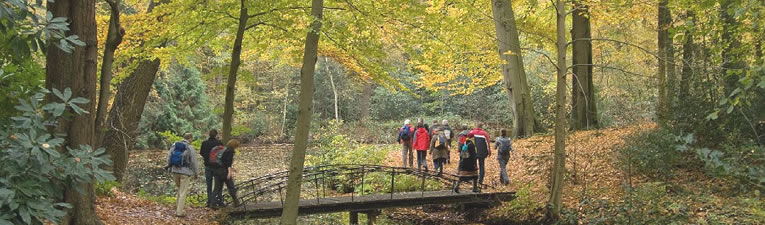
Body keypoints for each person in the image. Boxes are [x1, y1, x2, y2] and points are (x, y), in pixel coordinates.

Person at [166, 133, 199, 217]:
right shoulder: (190, 148)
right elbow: (194, 162)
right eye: (192, 138)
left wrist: (170, 168)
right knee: (183, 192)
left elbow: (169, 156)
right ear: (190, 138)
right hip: (185, 172)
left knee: (179, 189)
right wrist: (196, 173)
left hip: (175, 171)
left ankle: (177, 208)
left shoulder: (175, 145)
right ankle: (179, 212)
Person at [210, 139, 241, 208]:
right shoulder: (230, 151)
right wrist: (229, 173)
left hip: (217, 170)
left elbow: (223, 161)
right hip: (224, 172)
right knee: (231, 187)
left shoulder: (224, 150)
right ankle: (236, 202)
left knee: (217, 188)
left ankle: (212, 203)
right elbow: (228, 163)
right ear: (235, 145)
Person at [200, 129, 222, 208]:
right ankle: (219, 200)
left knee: (209, 185)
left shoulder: (204, 143)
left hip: (207, 166)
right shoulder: (219, 143)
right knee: (218, 185)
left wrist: (207, 158)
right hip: (217, 167)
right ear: (216, 135)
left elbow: (201, 153)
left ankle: (209, 201)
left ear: (209, 134)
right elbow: (222, 154)